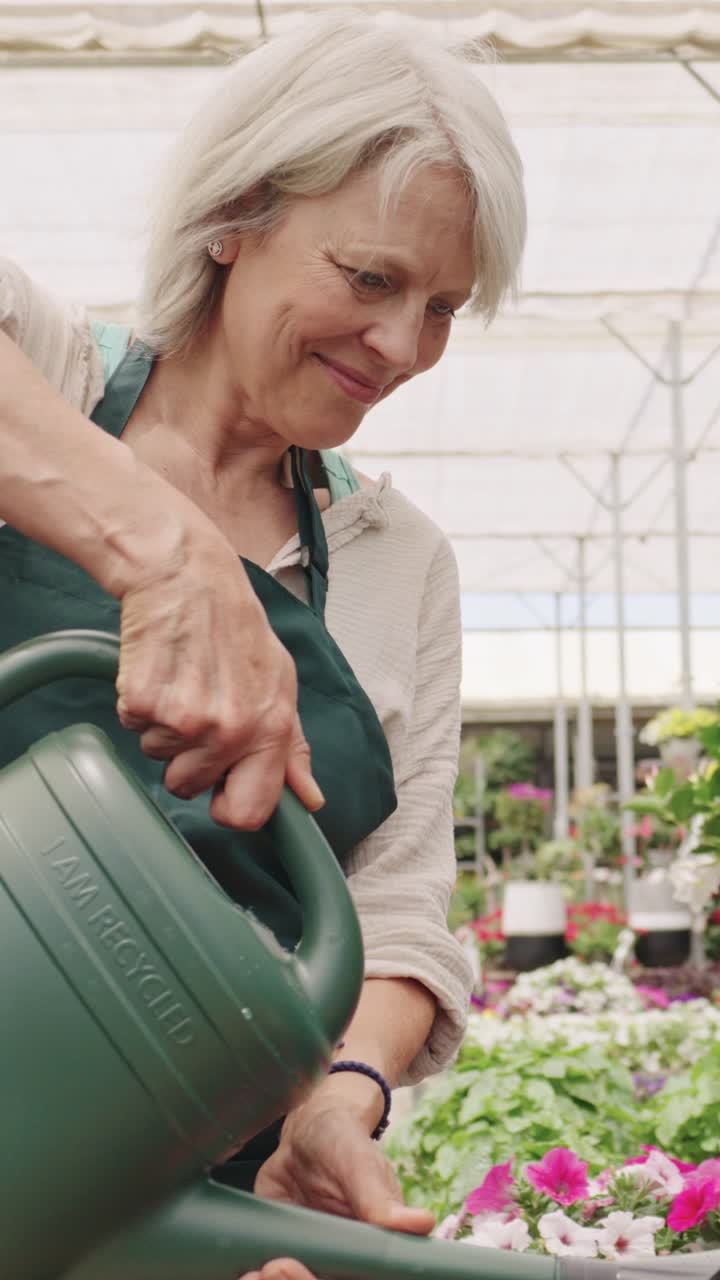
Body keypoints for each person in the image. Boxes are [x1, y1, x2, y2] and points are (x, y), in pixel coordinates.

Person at [0, 12, 525, 1279]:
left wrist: (338, 1096)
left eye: (445, 307)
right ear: (233, 214)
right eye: (371, 278)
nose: (403, 349)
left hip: (179, 1191)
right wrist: (163, 554)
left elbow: (395, 907)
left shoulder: (401, 559)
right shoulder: (49, 378)